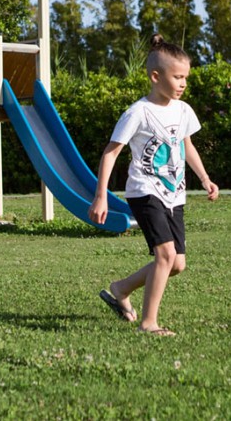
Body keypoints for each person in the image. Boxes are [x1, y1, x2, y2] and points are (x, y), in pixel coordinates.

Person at [88, 34, 219, 336]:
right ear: (156, 76)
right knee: (165, 256)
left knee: (178, 264)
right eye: (178, 77)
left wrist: (204, 178)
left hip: (174, 194)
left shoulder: (182, 110)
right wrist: (101, 197)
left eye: (186, 77)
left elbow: (186, 145)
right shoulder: (139, 112)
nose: (184, 83)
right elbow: (111, 152)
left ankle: (121, 288)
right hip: (145, 191)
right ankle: (149, 323)